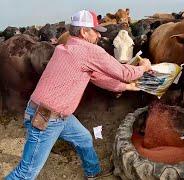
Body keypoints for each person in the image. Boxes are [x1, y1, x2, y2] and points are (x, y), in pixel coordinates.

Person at [5, 10, 151, 180]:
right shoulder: (89, 51)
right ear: (83, 31)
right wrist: (144, 67)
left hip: (56, 114)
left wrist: (125, 87)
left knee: (83, 139)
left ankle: (92, 172)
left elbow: (97, 78)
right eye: (95, 31)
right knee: (26, 172)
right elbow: (125, 72)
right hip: (46, 117)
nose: (98, 35)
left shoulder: (65, 47)